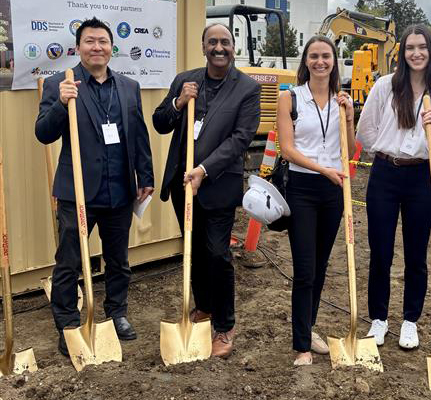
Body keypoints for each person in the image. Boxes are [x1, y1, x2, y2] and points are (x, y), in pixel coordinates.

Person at [35, 17, 154, 356]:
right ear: (78, 47)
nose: (97, 47)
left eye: (103, 41)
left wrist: (144, 175)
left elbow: (139, 134)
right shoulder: (62, 82)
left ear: (111, 47)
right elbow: (43, 133)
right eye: (90, 41)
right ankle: (68, 323)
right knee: (70, 260)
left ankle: (116, 313)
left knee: (118, 260)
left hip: (119, 190)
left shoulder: (129, 87)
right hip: (78, 193)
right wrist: (60, 104)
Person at [152, 23, 260, 358]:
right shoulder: (186, 80)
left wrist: (203, 169)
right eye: (212, 42)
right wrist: (178, 102)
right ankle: (204, 308)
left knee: (217, 252)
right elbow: (160, 122)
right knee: (194, 250)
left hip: (216, 184)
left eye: (225, 42)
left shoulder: (247, 88)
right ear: (203, 47)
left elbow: (240, 139)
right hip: (181, 184)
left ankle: (225, 325)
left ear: (233, 47)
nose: (218, 47)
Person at [357, 24, 431, 349]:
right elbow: (364, 132)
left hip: (421, 178)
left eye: (422, 47)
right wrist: (389, 148)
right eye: (410, 47)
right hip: (385, 175)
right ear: (403, 52)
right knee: (380, 252)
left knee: (416, 255)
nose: (416, 53)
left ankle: (410, 321)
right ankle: (379, 319)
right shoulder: (385, 86)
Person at [277, 36, 355, 366]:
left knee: (321, 266)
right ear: (305, 61)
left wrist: (350, 117)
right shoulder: (290, 98)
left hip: (332, 190)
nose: (320, 61)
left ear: (335, 61)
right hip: (302, 188)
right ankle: (301, 346)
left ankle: (308, 328)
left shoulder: (341, 101)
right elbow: (287, 149)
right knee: (305, 268)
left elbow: (349, 151)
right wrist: (323, 169)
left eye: (326, 56)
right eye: (314, 56)